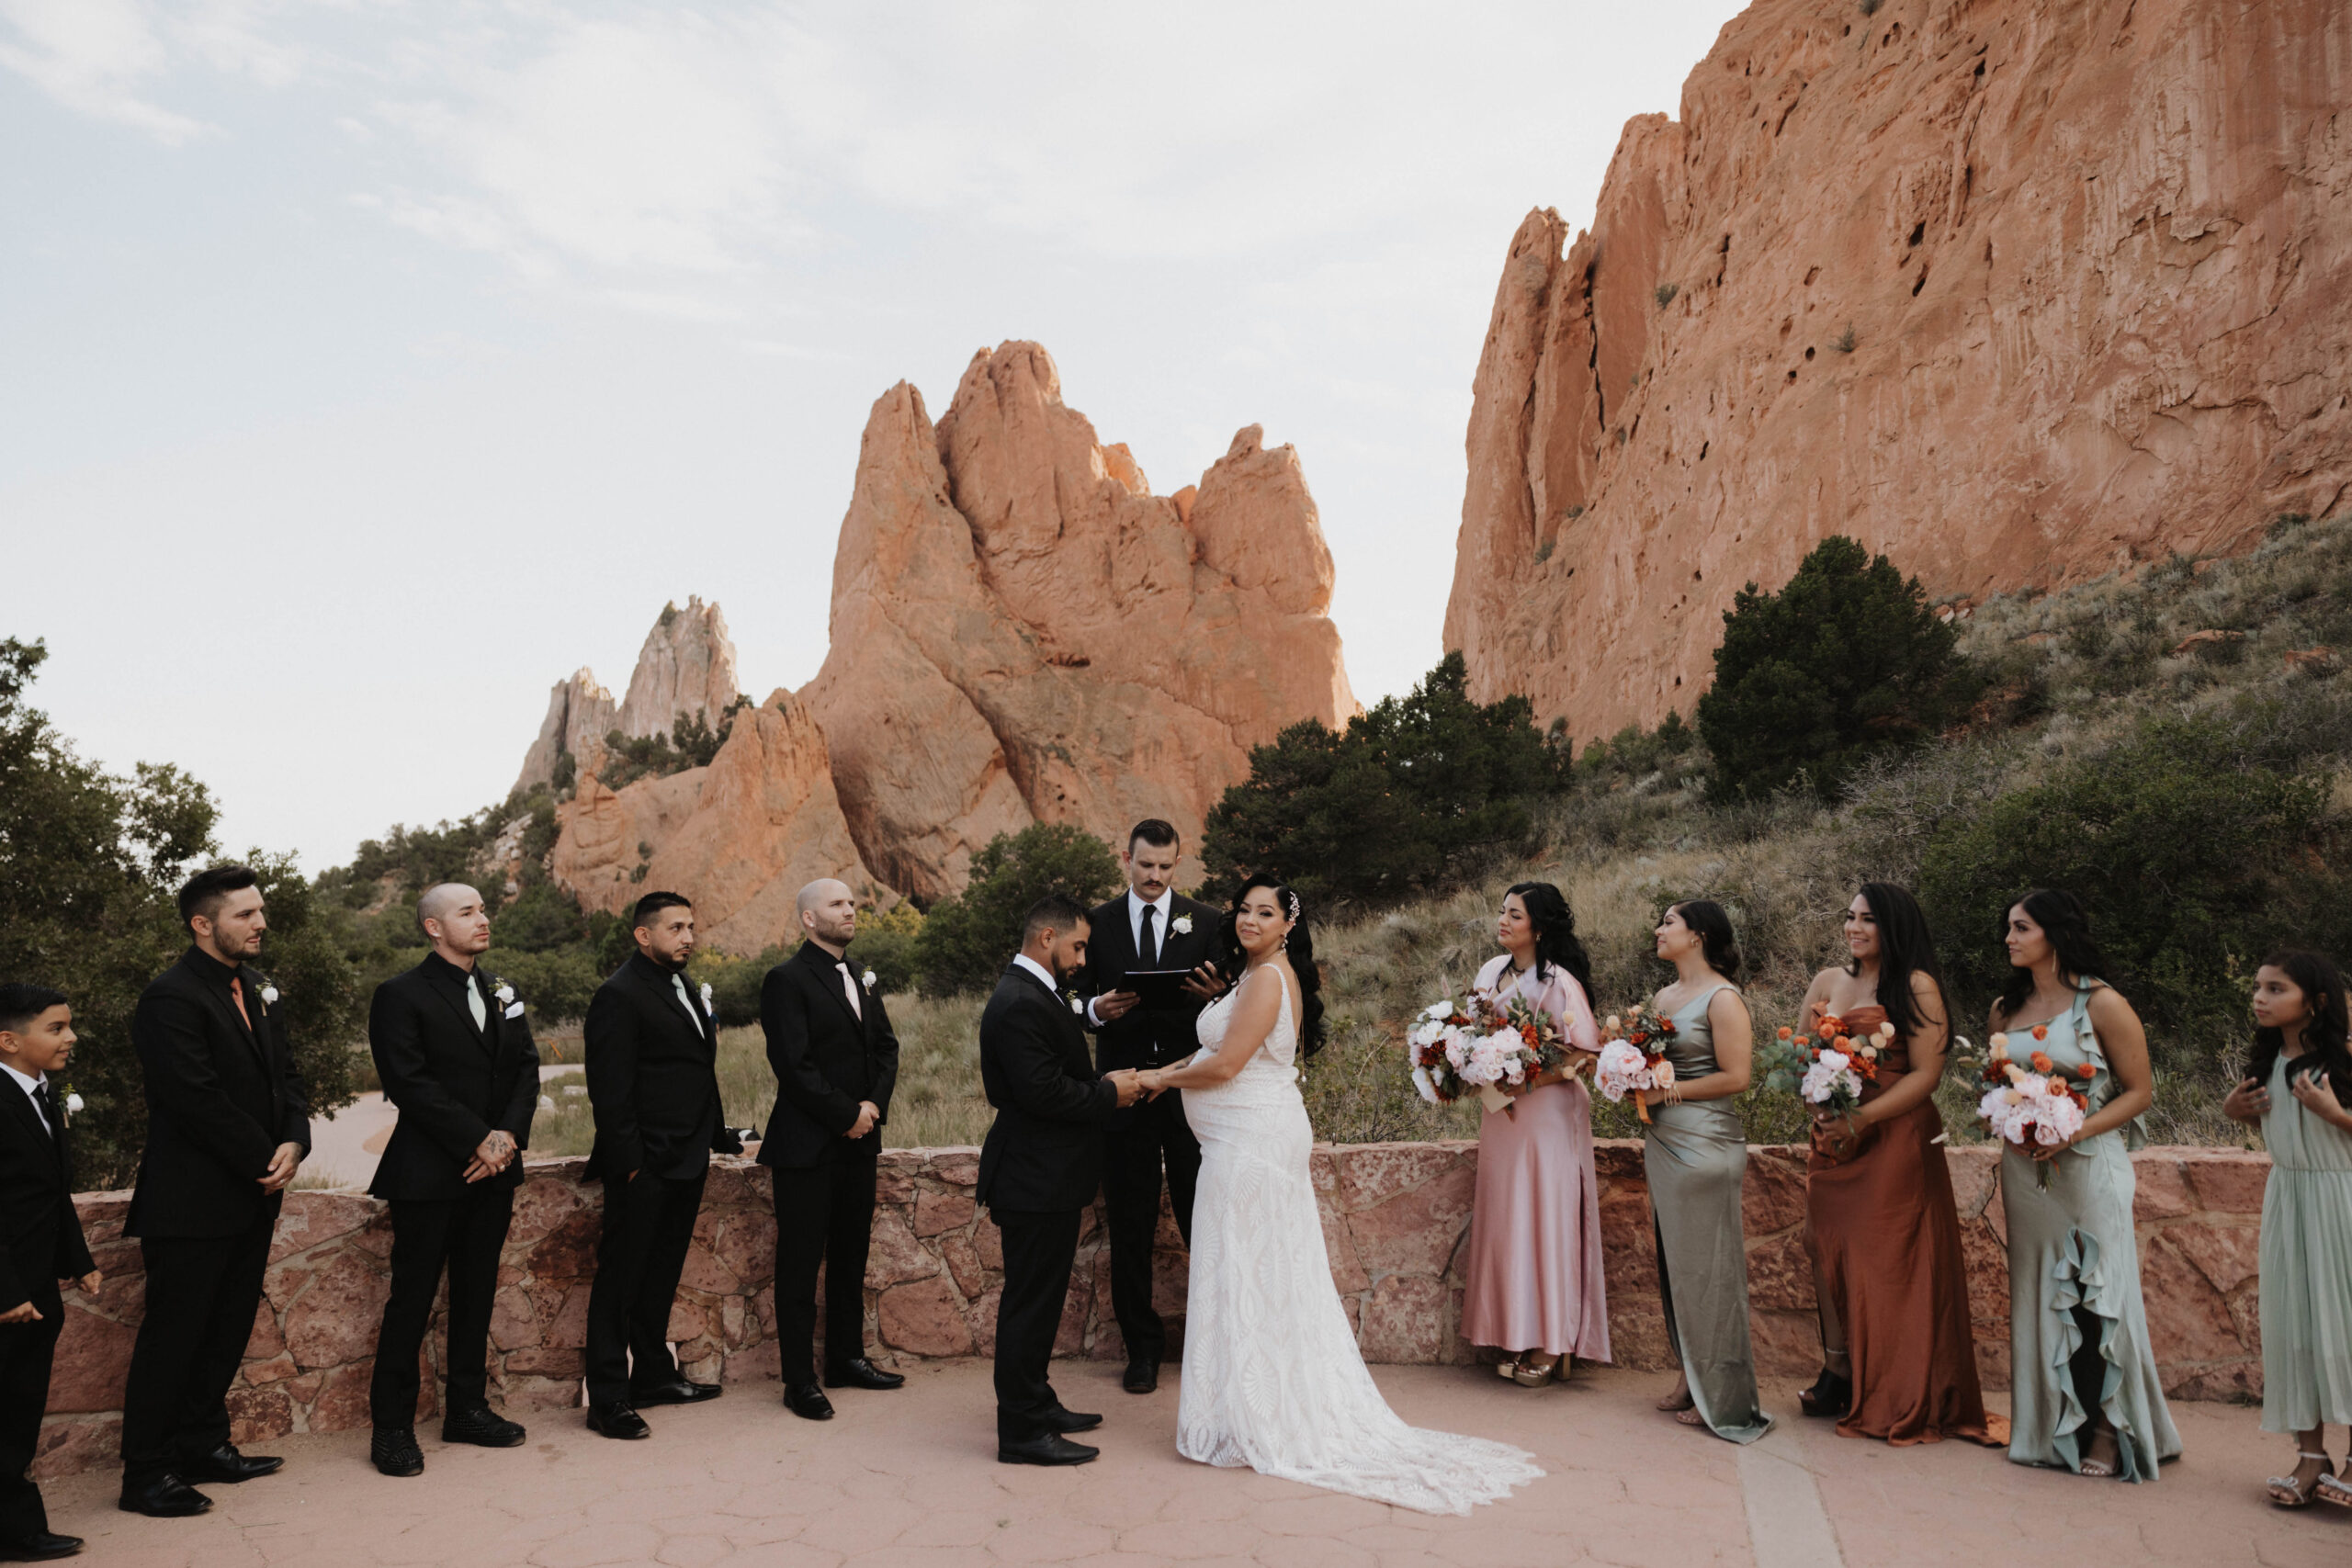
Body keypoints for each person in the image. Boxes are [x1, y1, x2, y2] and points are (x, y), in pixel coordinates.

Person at [1138, 875, 1542, 1513]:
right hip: (1243, 1141)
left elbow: (1224, 1065)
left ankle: (1261, 1416)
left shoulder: (1269, 978)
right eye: (1243, 908)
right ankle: (1243, 1409)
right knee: (1255, 1272)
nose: (1249, 918)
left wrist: (1156, 1076)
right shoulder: (1255, 976)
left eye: (1264, 911)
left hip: (1251, 1147)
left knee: (1253, 1272)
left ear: (1286, 924)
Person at [119, 865, 311, 1517]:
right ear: (203, 924)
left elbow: (288, 1075)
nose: (260, 923)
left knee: (226, 1331)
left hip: (253, 1195)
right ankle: (144, 1472)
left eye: (260, 910)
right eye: (244, 914)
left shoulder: (258, 988)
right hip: (191, 1201)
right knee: (173, 1338)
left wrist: (296, 1139)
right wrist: (264, 1154)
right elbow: (193, 1097)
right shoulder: (169, 998)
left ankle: (204, 1446)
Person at [1796, 884, 2000, 1447]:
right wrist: (1816, 1098)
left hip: (1893, 1137)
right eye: (1849, 916)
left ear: (1894, 927)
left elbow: (1925, 1075)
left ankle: (1898, 1390)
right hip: (1832, 1139)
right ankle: (1840, 1368)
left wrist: (1861, 1120)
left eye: (1868, 919)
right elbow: (1797, 1051)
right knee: (1824, 1244)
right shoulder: (1828, 982)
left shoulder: (1916, 986)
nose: (1853, 928)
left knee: (1887, 1258)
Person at [1988, 888, 2178, 1481]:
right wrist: (2008, 1115)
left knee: (2101, 1293)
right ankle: (2048, 1427)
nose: (2010, 939)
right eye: (2009, 930)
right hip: (2026, 1171)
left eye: (2021, 928)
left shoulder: (2103, 1003)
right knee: (2040, 1289)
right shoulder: (2004, 1009)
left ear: (2055, 933)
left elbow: (2140, 1092)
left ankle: (2109, 1427)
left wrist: (2073, 1132)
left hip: (2091, 1163)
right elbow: (1996, 1084)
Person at [363, 884, 540, 1477]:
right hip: (428, 1174)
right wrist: (477, 1138)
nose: (483, 918)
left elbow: (527, 1069)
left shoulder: (502, 991)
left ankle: (466, 1408)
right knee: (410, 1301)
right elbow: (408, 1081)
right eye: (468, 911)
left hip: (495, 1171)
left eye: (484, 909)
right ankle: (390, 1427)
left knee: (475, 1294)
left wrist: (507, 1137)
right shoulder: (399, 995)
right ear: (434, 927)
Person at [977, 894, 1144, 1466]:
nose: (1081, 959)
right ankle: (1021, 1432)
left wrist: (1103, 1078)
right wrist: (1110, 1092)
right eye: (1076, 946)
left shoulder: (1033, 993)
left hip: (1044, 1175)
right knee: (1029, 1305)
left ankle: (1038, 1401)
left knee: (1041, 1304)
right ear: (1047, 937)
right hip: (1033, 1178)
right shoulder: (1020, 1000)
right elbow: (1042, 1092)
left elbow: (1053, 1070)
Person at [581, 891, 740, 1439]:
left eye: (691, 926)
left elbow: (695, 1070)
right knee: (619, 1282)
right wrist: (630, 1167)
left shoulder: (683, 986)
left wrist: (721, 1137)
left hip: (687, 1157)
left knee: (661, 1275)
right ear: (643, 935)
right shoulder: (618, 995)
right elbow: (610, 1089)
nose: (688, 936)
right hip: (644, 1165)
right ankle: (606, 1398)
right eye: (675, 928)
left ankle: (652, 1374)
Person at [1080, 819, 1225, 1394]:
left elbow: (1238, 1000)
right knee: (1131, 1224)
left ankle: (1213, 1344)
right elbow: (1070, 994)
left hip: (1191, 1092)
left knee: (1203, 1220)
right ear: (1126, 858)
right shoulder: (1097, 922)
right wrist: (1096, 1010)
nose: (1155, 877)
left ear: (1177, 863)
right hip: (1123, 1094)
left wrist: (1217, 996)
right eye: (1145, 866)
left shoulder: (1208, 921)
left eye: (1166, 867)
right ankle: (1141, 1351)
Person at [758, 879, 904, 1423]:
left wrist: (871, 1107)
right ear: (808, 920)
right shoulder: (785, 980)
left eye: (852, 903)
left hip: (859, 1143)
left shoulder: (861, 977)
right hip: (807, 1147)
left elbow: (886, 1048)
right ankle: (800, 1380)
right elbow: (793, 1066)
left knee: (850, 1257)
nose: (851, 910)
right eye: (838, 904)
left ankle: (846, 1358)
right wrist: (846, 1115)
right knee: (799, 1265)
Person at [1460, 882, 1608, 1388]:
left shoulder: (1559, 982)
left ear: (1539, 927)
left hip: (1547, 1113)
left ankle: (1551, 1340)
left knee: (1545, 1216)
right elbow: (1470, 1032)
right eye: (1501, 911)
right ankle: (1514, 1331)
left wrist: (1525, 1080)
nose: (1503, 920)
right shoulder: (1489, 973)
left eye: (1515, 915)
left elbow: (1582, 1056)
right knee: (1508, 1218)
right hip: (1500, 1115)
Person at [2221, 951, 2352, 1507]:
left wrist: (2336, 1112)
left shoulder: (2342, 1059)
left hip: (2340, 1201)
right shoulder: (2269, 1060)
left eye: (2276, 989)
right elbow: (2274, 1125)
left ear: (2315, 1002)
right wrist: (2236, 1110)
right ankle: (2310, 1459)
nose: (2259, 997)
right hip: (2288, 1200)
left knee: (2344, 1329)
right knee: (2294, 1330)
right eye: (2258, 987)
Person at [1643, 900, 1770, 1443]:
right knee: (1678, 1267)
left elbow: (1737, 1076)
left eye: (1668, 922)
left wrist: (1666, 1090)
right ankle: (1691, 1375)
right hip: (1664, 1140)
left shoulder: (1723, 998)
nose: (1658, 930)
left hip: (1706, 1143)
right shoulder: (1662, 997)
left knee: (1711, 1273)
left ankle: (1724, 1395)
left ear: (1697, 936)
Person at [0, 986, 99, 1561]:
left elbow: (48, 1192)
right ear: (10, 1040)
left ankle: (13, 1524)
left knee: (20, 1409)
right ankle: (15, 1530)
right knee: (6, 1411)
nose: (71, 1037)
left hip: (37, 1283)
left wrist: (78, 1260)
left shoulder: (41, 1092)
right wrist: (5, 1289)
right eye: (57, 1028)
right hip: (8, 1289)